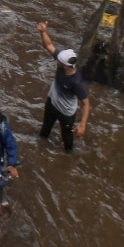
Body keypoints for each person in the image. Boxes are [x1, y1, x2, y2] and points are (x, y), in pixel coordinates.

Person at [37, 22, 90, 152]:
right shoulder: (63, 63)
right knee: (45, 129)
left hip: (66, 112)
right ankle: (40, 147)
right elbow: (49, 45)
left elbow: (86, 104)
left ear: (67, 66)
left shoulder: (76, 82)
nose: (57, 61)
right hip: (52, 103)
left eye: (59, 61)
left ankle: (68, 155)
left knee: (67, 136)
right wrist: (43, 32)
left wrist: (83, 125)